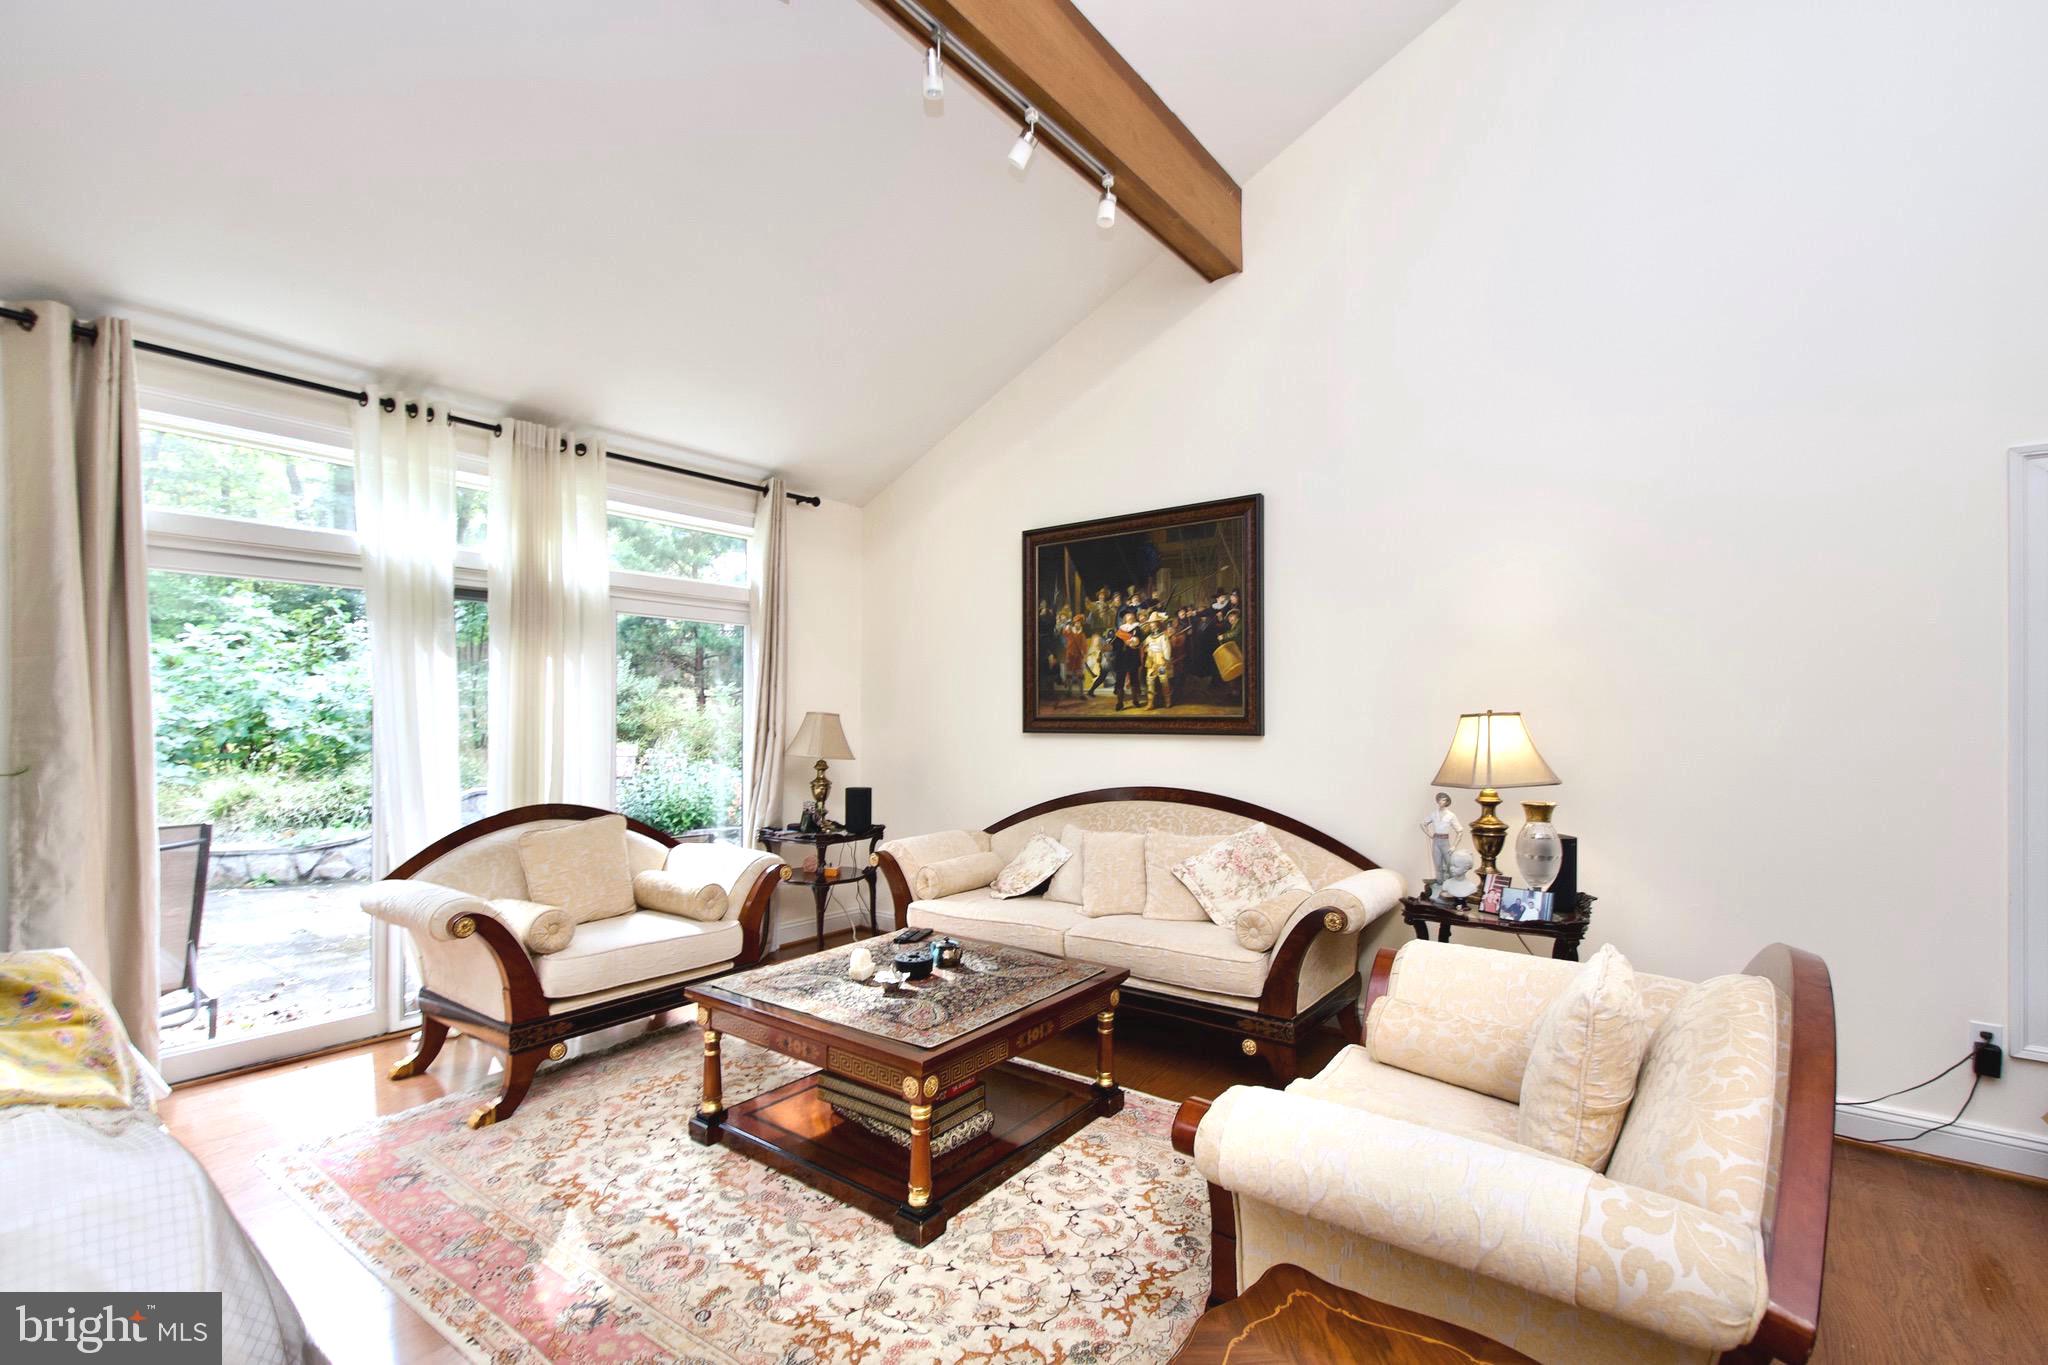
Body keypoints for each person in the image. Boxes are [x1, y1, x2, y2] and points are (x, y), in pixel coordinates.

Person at [1420, 792, 1467, 888]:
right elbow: (1423, 824)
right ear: (1437, 801)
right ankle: (1439, 884)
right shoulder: (1434, 814)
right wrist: (1430, 835)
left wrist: (1454, 846)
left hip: (1445, 842)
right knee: (1438, 865)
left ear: (1447, 802)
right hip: (1436, 842)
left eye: (1444, 800)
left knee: (1450, 864)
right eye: (1440, 799)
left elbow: (1460, 831)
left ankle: (1452, 885)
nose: (1441, 802)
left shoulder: (1451, 815)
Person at [1109, 607, 1143, 711]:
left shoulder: (1137, 628)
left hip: (1132, 657)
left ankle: (1135, 700)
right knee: (1120, 681)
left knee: (1134, 680)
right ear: (1124, 618)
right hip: (1121, 658)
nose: (1130, 617)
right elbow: (1115, 644)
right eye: (1128, 615)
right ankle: (1120, 702)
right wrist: (1110, 645)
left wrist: (1133, 641)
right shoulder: (1120, 630)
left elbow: (1138, 641)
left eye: (1132, 615)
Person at [1143, 610, 1174, 709]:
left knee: (1163, 680)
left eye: (1153, 623)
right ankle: (1150, 703)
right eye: (1150, 623)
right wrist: (1147, 649)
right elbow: (1144, 647)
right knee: (1150, 681)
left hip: (1161, 661)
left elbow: (1166, 649)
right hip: (1151, 661)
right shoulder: (1149, 637)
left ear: (1158, 624)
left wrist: (1166, 660)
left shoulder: (1163, 636)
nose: (1151, 625)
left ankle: (1167, 701)